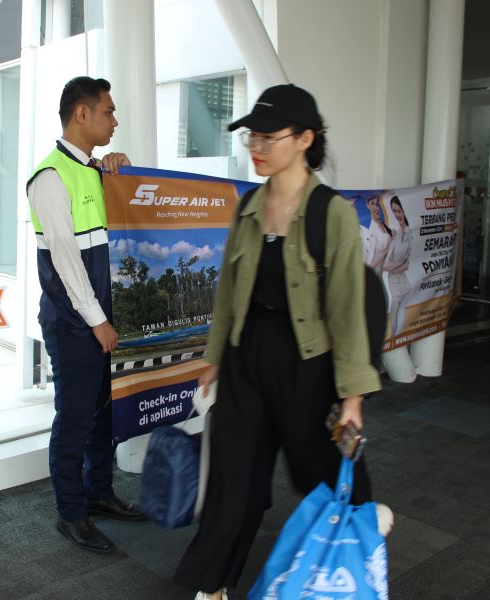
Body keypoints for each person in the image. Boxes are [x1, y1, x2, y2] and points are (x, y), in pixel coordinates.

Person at [174, 84, 381, 600]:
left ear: (306, 138)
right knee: (233, 478)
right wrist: (215, 358)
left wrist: (352, 396)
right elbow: (228, 292)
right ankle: (213, 584)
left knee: (320, 474)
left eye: (268, 136)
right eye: (252, 136)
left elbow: (349, 311)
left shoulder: (330, 212)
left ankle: (353, 551)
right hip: (247, 357)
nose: (256, 146)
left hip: (308, 363)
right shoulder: (248, 205)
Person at [25, 75, 145, 555]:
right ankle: (71, 513)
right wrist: (98, 321)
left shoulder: (95, 171)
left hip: (101, 321)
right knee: (73, 419)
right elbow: (66, 262)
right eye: (108, 111)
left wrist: (122, 169)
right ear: (82, 114)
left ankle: (98, 494)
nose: (114, 120)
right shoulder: (50, 178)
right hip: (75, 324)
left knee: (102, 415)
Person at [382, 195, 413, 336]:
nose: (397, 214)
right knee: (393, 315)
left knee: (401, 314)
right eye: (394, 211)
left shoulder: (409, 232)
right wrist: (400, 263)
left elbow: (407, 265)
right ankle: (395, 343)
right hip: (392, 280)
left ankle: (398, 343)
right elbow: (385, 265)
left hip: (404, 280)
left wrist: (397, 265)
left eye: (399, 211)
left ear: (404, 211)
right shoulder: (393, 233)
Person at [359, 195, 392, 274]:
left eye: (377, 204)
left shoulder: (387, 227)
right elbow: (369, 263)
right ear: (367, 206)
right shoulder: (368, 232)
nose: (375, 207)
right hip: (376, 274)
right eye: (372, 203)